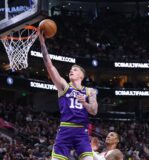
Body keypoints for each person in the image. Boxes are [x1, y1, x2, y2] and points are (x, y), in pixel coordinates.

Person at [39, 32, 98, 160]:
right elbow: (49, 66)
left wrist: (85, 103)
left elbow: (94, 111)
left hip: (81, 132)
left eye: (75, 69)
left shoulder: (90, 91)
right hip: (65, 129)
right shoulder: (64, 87)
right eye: (71, 69)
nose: (71, 70)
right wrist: (42, 43)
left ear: (81, 76)